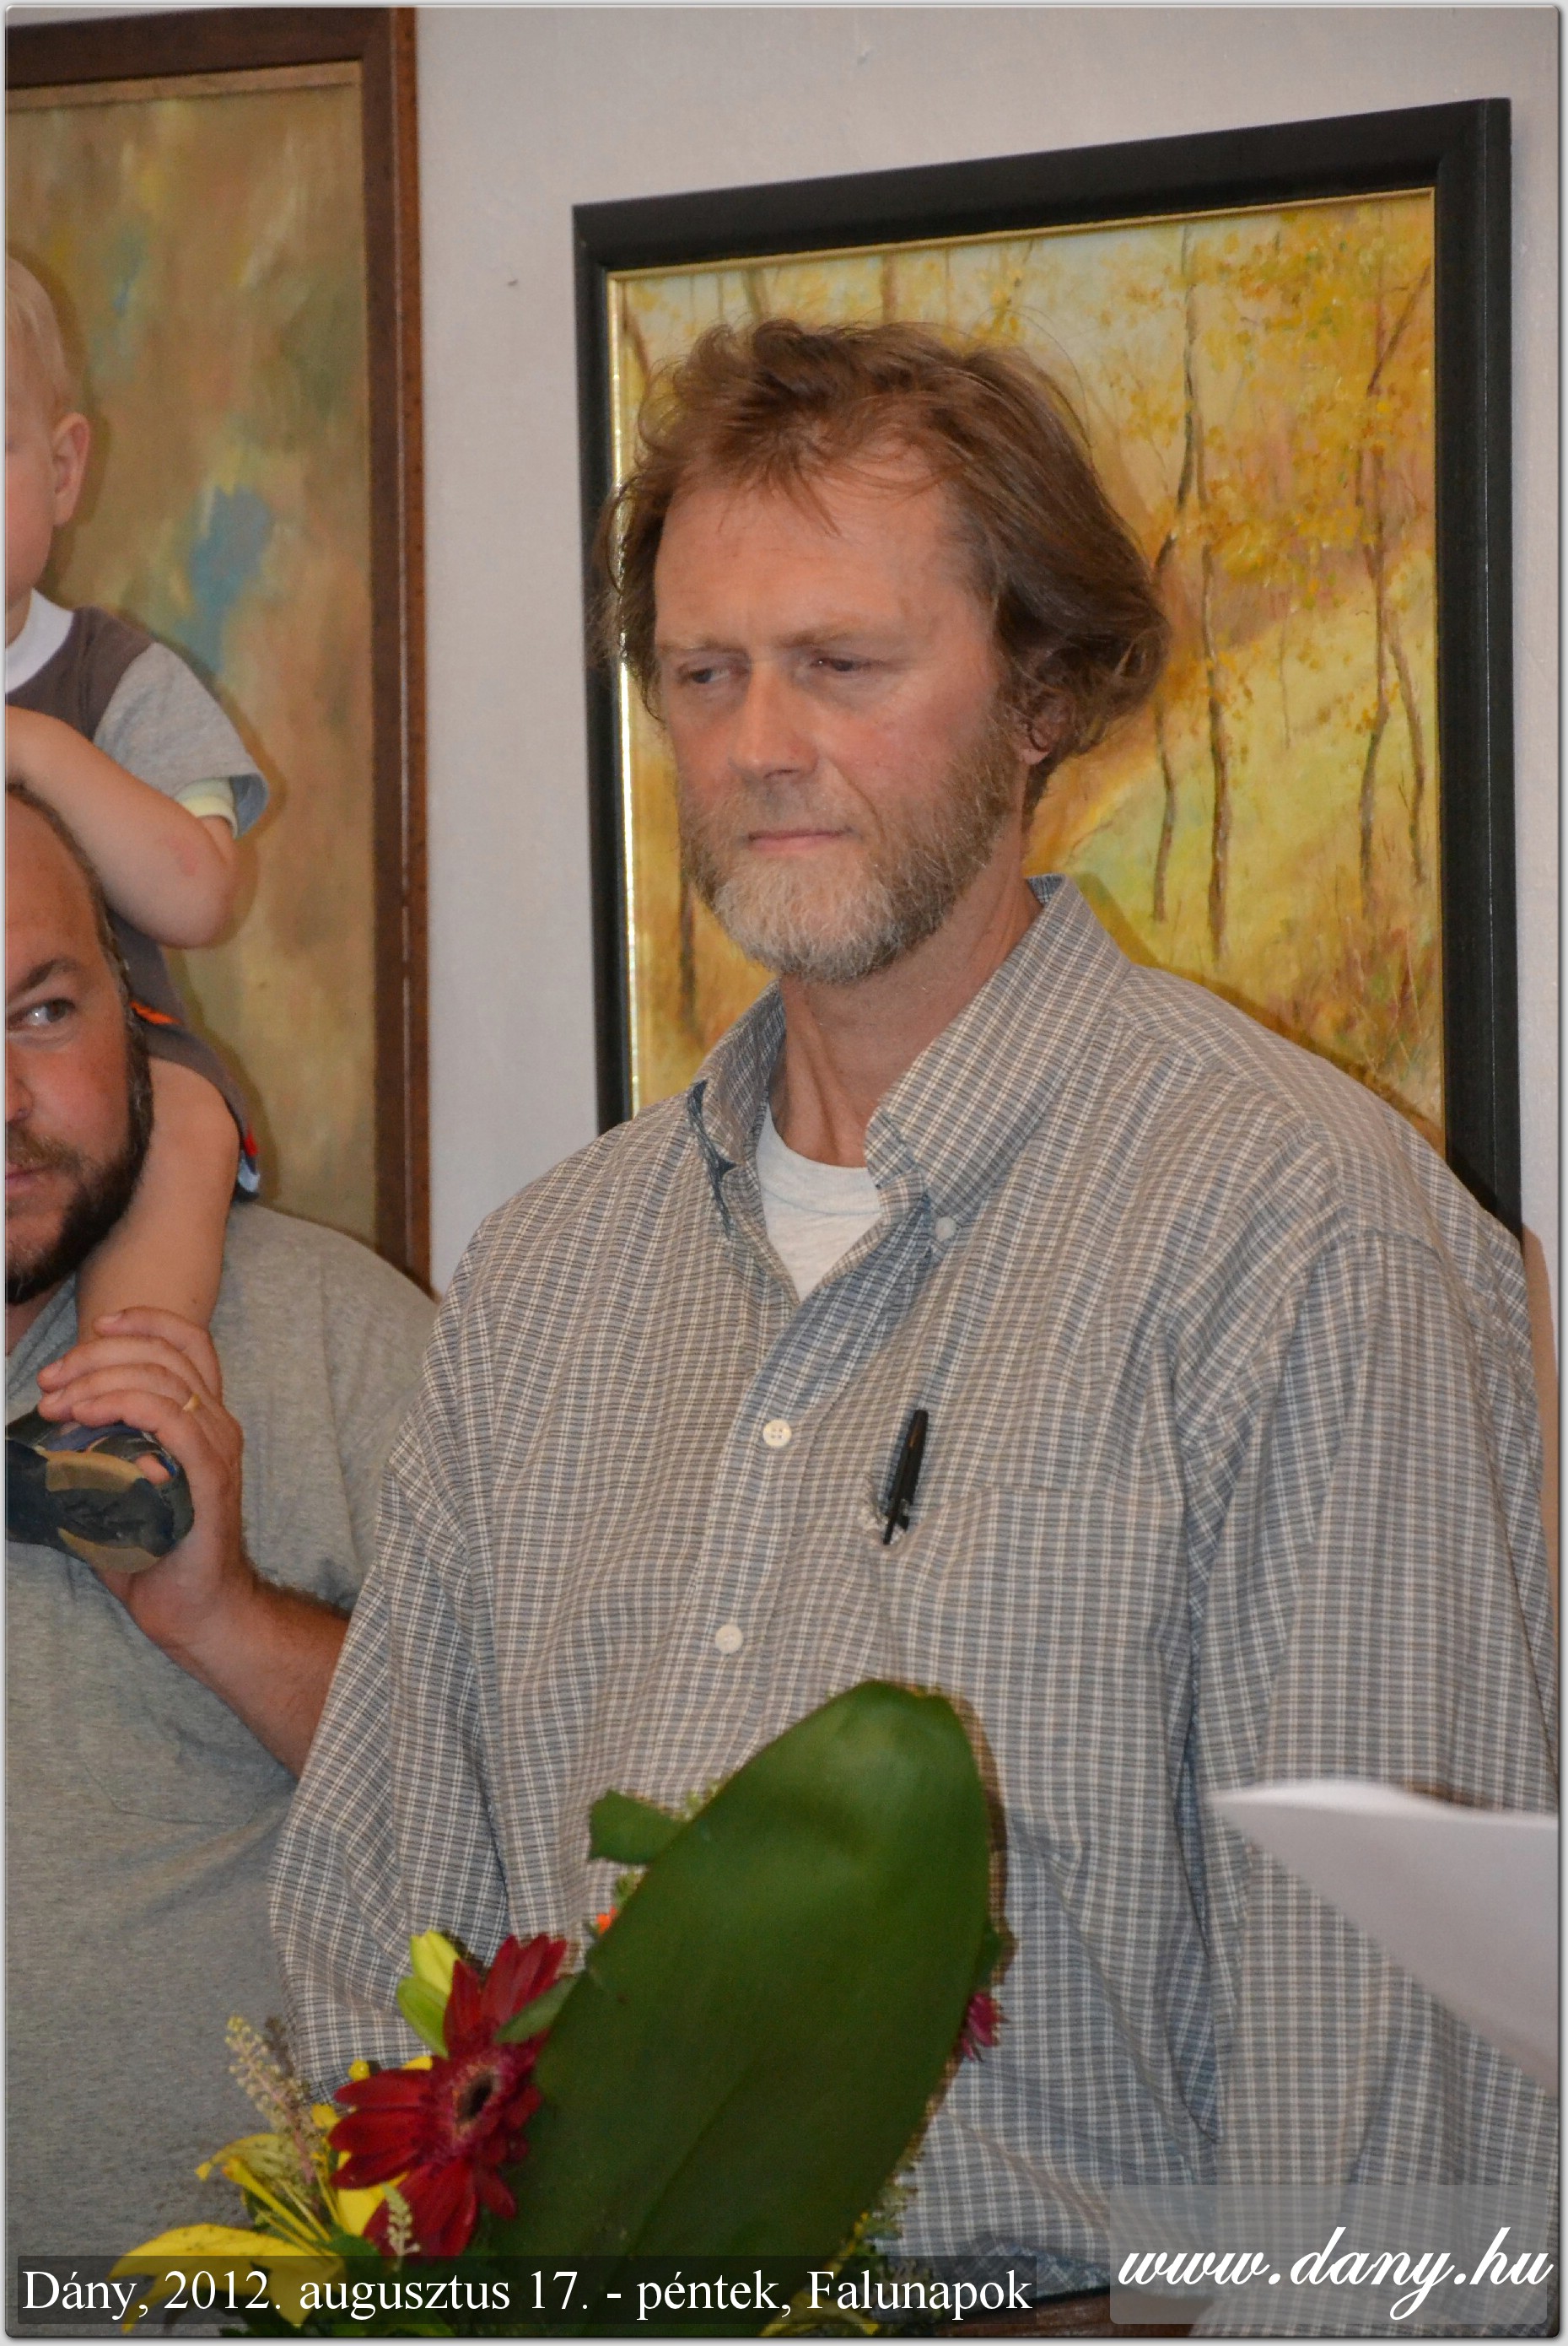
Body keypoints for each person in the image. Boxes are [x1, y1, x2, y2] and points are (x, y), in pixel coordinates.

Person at [273, 321, 1555, 2301]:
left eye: (844, 664)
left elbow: (1401, 2116)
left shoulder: (1297, 1233)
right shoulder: (544, 1280)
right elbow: (376, 1947)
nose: (758, 742)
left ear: (1040, 690)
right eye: (705, 672)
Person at [6, 784, 435, 2261]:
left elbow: (535, 1819)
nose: (6, 1099)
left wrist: (226, 1617)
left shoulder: (336, 1339)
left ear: (134, 1014)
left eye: (44, 1012)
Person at [6, 254, 262, 1403]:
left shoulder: (116, 680)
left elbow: (201, 895)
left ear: (63, 470)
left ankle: (116, 1413)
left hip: (115, 1064)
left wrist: (36, 750)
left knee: (190, 1125)